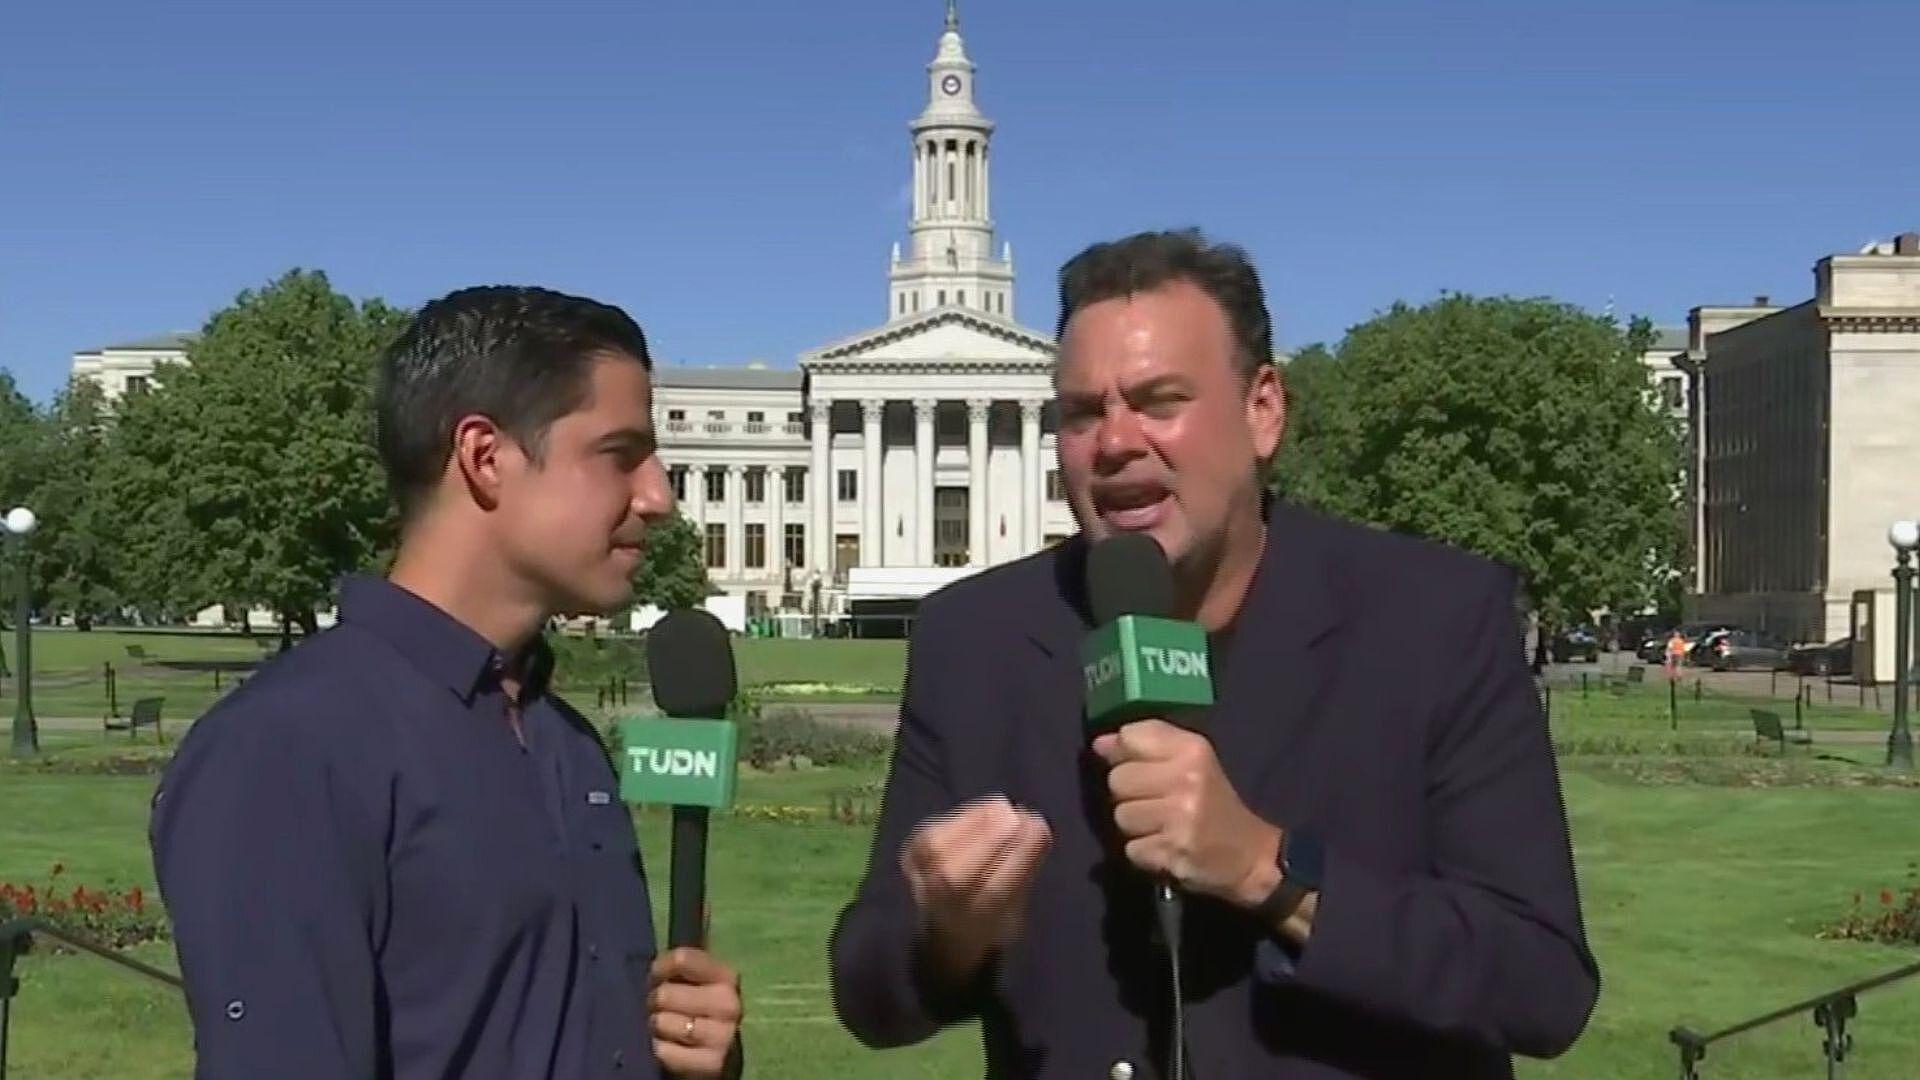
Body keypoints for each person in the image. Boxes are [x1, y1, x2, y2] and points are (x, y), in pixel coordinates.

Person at [827, 230, 1599, 1078]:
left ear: (1263, 409)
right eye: (1084, 411)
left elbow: (1542, 985)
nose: (1115, 442)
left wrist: (1270, 867)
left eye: (1159, 401)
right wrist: (946, 935)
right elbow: (869, 996)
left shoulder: (1432, 620)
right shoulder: (974, 641)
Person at [151, 286, 744, 1080]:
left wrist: (690, 1057)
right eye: (620, 454)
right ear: (484, 457)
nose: (659, 498)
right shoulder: (288, 748)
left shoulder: (565, 745)